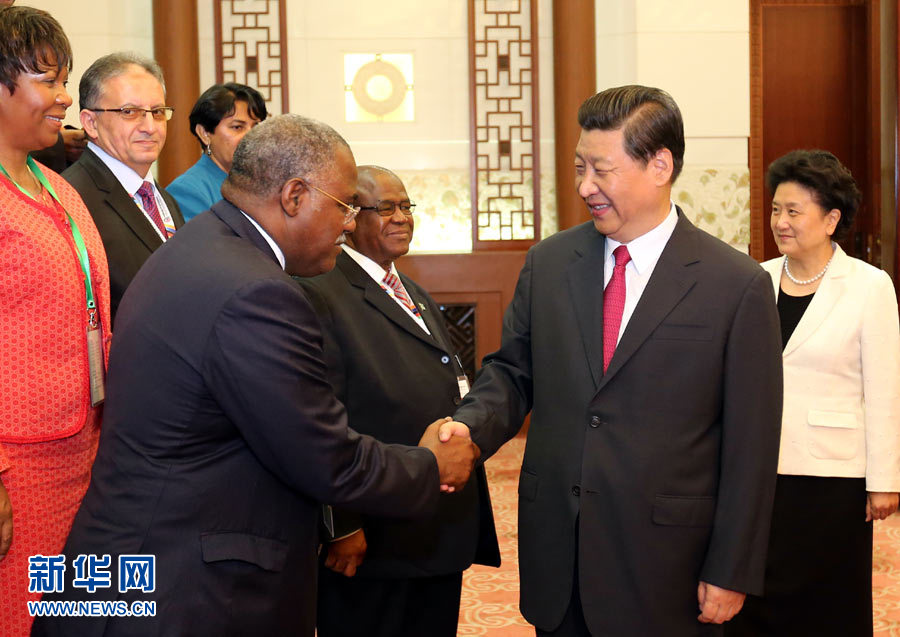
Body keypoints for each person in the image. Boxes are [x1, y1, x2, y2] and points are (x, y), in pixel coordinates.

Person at [30, 114, 480, 637]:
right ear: (294, 196)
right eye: (344, 206)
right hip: (182, 587)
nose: (349, 225)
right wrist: (430, 465)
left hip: (139, 562)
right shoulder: (256, 291)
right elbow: (324, 457)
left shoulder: (203, 243)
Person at [442, 85, 784, 636]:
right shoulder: (550, 263)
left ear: (660, 166)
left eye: (601, 170)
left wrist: (732, 567)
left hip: (668, 563)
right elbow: (512, 372)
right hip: (561, 554)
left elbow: (753, 444)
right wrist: (470, 428)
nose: (585, 186)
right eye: (580, 168)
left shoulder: (735, 284)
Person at [299, 165, 501, 637]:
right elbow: (320, 416)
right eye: (386, 207)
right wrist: (341, 525)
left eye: (406, 206)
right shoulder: (319, 291)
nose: (402, 217)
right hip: (376, 535)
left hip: (434, 525)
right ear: (350, 217)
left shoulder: (412, 291)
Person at [725, 150, 900, 637]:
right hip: (759, 468)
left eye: (793, 211)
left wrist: (884, 479)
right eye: (775, 209)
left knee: (827, 603)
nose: (780, 222)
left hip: (832, 475)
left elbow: (884, 389)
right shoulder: (754, 279)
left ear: (831, 219)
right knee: (755, 595)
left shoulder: (869, 286)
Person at [0, 6, 111, 636]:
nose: (65, 97)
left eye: (64, 80)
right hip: (17, 469)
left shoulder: (58, 187)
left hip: (87, 452)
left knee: (92, 613)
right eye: (48, 80)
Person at [63, 52, 185, 322]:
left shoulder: (164, 198)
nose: (150, 127)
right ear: (91, 122)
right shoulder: (70, 199)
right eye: (129, 112)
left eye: (157, 112)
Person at [167, 82, 267, 222]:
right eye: (237, 127)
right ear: (204, 133)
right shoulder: (187, 191)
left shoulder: (262, 183)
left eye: (255, 126)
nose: (251, 136)